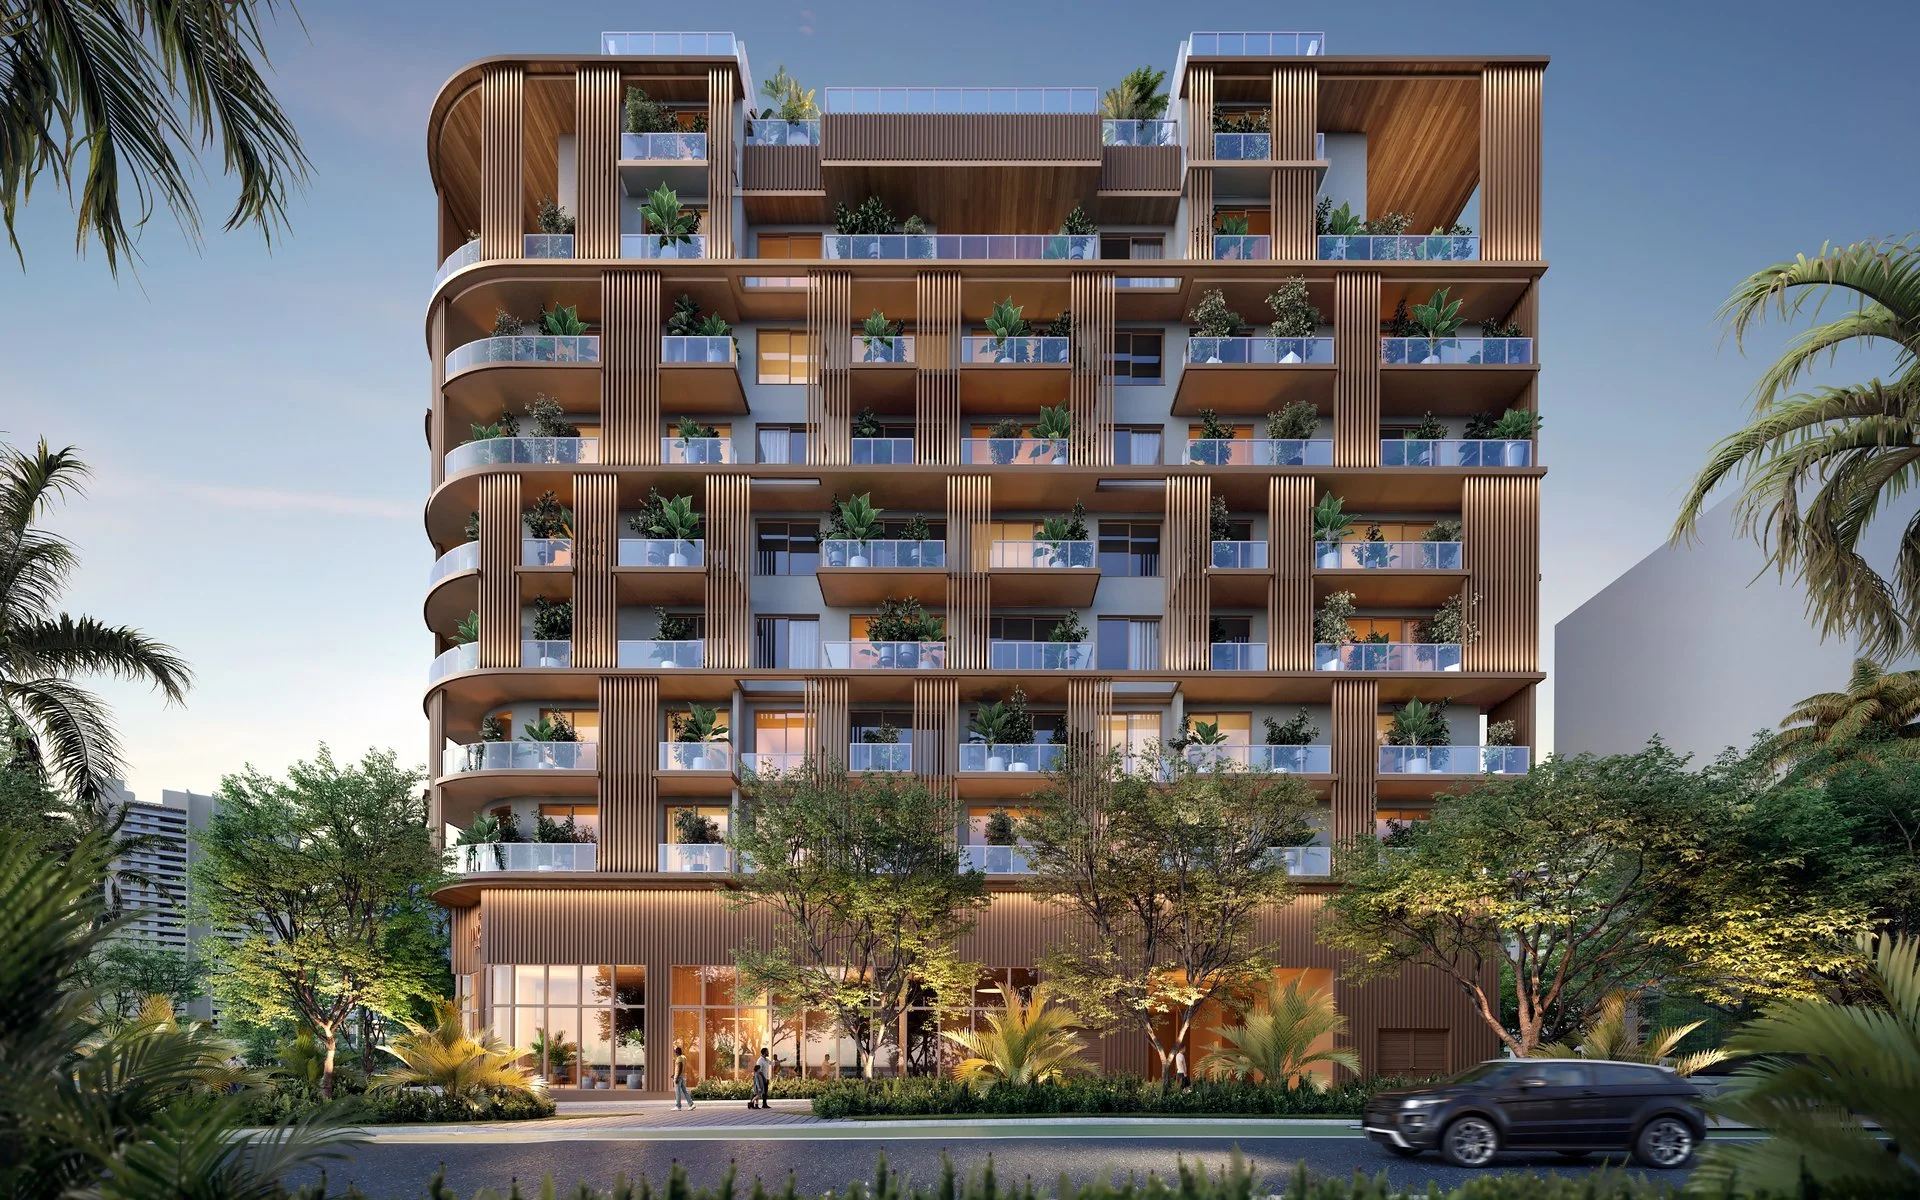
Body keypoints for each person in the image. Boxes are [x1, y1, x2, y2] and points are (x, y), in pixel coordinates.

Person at [673, 1043, 694, 1110]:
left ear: (677, 1052)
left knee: (678, 1091)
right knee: (685, 1091)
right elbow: (682, 1068)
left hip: (679, 1077)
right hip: (684, 1076)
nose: (675, 1053)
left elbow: (680, 1067)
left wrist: (677, 1077)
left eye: (675, 1052)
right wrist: (674, 1074)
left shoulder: (679, 1058)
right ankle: (691, 1104)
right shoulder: (684, 1057)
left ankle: (678, 1106)